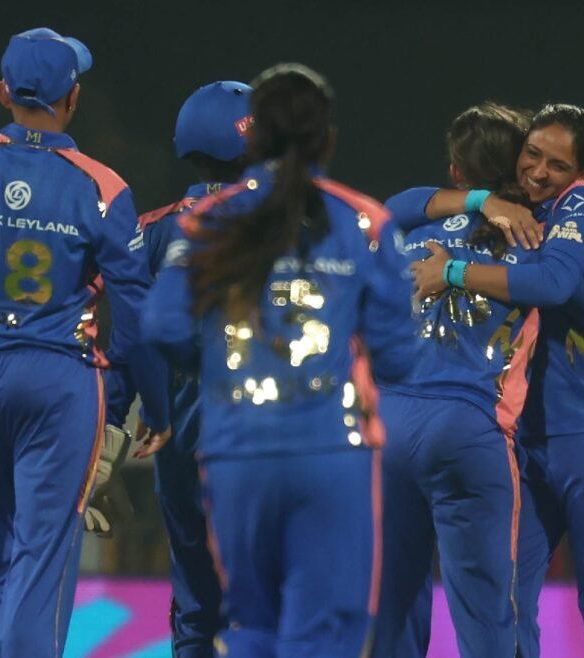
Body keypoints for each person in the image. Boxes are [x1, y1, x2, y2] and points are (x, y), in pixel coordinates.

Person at [0, 27, 171, 657]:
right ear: (72, 97)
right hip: (55, 380)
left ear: (2, 91)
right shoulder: (101, 186)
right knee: (39, 563)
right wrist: (154, 406)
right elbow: (135, 315)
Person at [143, 63, 417, 658]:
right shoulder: (365, 221)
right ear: (329, 140)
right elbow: (400, 357)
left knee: (250, 626)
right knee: (323, 632)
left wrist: (219, 365)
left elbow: (161, 326)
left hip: (236, 450)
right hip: (329, 453)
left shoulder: (206, 221)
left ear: (257, 138)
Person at [373, 103, 584, 658]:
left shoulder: (574, 211)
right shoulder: (518, 223)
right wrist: (483, 202)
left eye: (559, 164)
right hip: (521, 443)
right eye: (532, 154)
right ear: (514, 155)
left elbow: (567, 293)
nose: (540, 171)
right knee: (511, 604)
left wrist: (451, 270)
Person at [113, 79, 252, 657]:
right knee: (266, 600)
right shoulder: (292, 222)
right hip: (263, 432)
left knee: (195, 603)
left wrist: (110, 428)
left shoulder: (148, 229)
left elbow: (126, 338)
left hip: (178, 433)